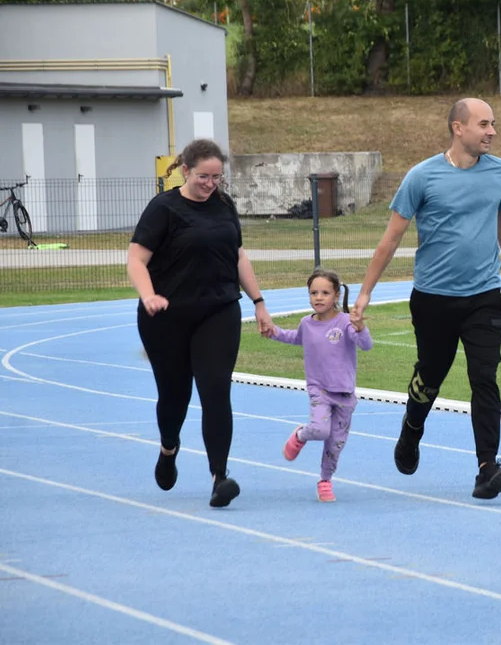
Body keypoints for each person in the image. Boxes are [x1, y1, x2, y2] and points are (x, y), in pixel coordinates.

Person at [350, 98, 501, 499]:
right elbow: (390, 239)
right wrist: (364, 293)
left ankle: (486, 468)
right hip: (433, 299)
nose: (492, 132)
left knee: (484, 376)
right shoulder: (422, 176)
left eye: (494, 124)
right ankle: (412, 429)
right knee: (430, 374)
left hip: (483, 295)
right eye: (484, 124)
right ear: (458, 128)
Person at [127, 138, 275, 508]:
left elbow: (238, 255)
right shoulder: (163, 208)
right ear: (185, 170)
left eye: (217, 178)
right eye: (204, 177)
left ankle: (219, 477)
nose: (210, 184)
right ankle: (168, 448)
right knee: (175, 396)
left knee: (215, 390)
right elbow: (135, 259)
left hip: (218, 310)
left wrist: (259, 302)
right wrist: (148, 296)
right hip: (166, 317)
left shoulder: (224, 205)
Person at [267, 269, 372, 503]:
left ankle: (325, 480)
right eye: (313, 293)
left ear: (336, 295)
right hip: (319, 390)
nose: (318, 297)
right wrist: (273, 332)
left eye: (325, 292)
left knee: (335, 443)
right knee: (320, 429)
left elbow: (366, 345)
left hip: (345, 393)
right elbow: (296, 337)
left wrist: (360, 328)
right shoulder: (306, 323)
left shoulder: (345, 322)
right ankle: (300, 434)